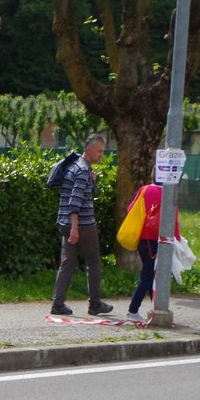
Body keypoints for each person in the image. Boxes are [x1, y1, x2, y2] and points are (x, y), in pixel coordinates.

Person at [49, 134, 111, 317]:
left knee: (67, 263)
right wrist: (75, 228)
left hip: (65, 222)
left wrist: (92, 182)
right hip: (82, 223)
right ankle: (95, 304)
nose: (102, 155)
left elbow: (73, 194)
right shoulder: (83, 170)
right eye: (99, 151)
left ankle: (58, 304)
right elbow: (75, 200)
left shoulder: (75, 166)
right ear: (89, 149)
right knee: (93, 263)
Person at [123, 180, 181, 321]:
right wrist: (178, 239)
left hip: (142, 238)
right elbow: (174, 220)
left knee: (150, 274)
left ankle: (155, 308)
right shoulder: (170, 194)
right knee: (149, 275)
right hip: (158, 240)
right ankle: (133, 310)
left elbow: (131, 209)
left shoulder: (144, 189)